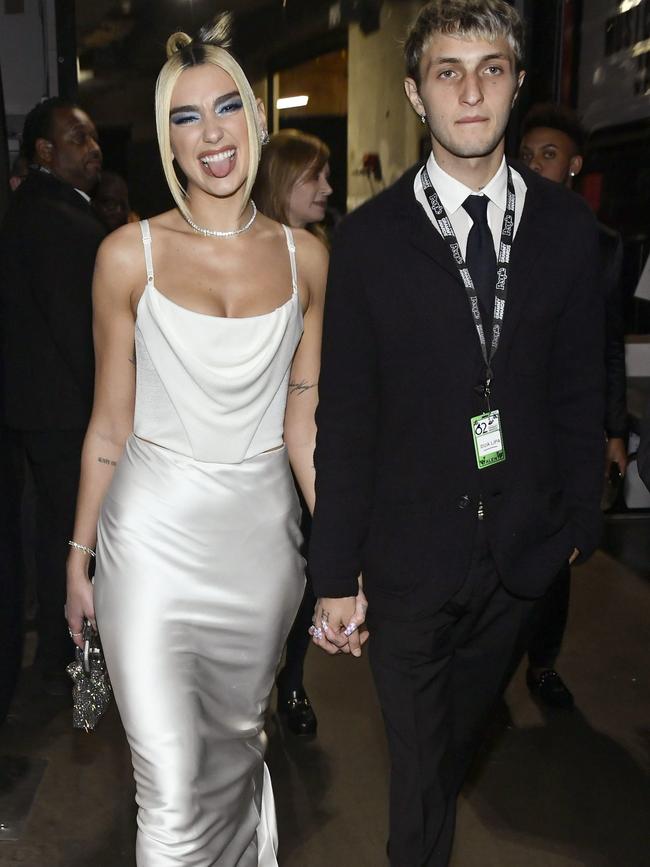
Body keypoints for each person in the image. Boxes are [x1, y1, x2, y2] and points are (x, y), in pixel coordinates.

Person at [308, 2, 605, 865]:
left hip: (521, 559)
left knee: (447, 751)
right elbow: (347, 414)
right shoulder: (367, 242)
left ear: (516, 85)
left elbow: (580, 384)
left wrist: (578, 526)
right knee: (419, 773)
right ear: (415, 92)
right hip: (407, 560)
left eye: (492, 68)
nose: (470, 90)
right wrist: (334, 573)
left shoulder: (567, 231)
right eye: (448, 71)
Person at [65, 15, 326, 865]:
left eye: (225, 109)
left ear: (255, 117)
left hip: (260, 547)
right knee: (171, 791)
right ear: (169, 146)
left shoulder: (307, 260)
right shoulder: (125, 256)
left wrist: (346, 554)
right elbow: (109, 420)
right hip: (150, 542)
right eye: (186, 118)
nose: (211, 134)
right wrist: (80, 553)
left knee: (237, 756)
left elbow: (305, 423)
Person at [519, 102, 627, 709]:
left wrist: (613, 430)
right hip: (503, 423)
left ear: (574, 166)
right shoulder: (491, 230)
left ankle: (542, 664)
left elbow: (607, 343)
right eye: (528, 153)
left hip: (568, 426)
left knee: (558, 550)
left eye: (550, 155)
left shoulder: (603, 246)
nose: (535, 164)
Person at [0, 97, 105, 697]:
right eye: (77, 139)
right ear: (44, 152)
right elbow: (77, 331)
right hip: (67, 411)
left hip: (41, 410)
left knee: (54, 530)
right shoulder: (58, 220)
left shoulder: (36, 209)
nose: (93, 150)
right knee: (76, 534)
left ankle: (62, 661)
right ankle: (77, 665)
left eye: (93, 138)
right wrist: (112, 410)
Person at [253, 129, 332, 736]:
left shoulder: (319, 251)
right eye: (314, 177)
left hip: (310, 435)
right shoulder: (251, 255)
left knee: (307, 569)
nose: (327, 189)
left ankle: (292, 681)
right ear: (284, 182)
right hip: (252, 449)